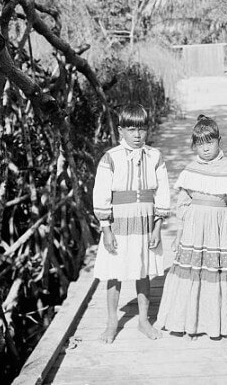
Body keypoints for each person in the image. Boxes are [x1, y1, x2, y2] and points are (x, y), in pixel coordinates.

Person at [155, 115, 227, 339]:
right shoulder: (190, 169)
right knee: (192, 271)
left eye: (210, 142)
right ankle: (186, 321)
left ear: (219, 141)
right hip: (193, 227)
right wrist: (179, 234)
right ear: (194, 146)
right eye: (200, 144)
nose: (206, 149)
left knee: (212, 271)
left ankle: (213, 322)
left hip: (217, 228)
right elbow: (183, 204)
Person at [92, 105, 169, 343]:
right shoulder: (110, 158)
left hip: (146, 221)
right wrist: (106, 228)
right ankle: (112, 322)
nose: (137, 135)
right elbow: (101, 194)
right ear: (121, 130)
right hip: (118, 223)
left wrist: (157, 226)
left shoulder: (155, 157)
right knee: (113, 272)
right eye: (131, 129)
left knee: (143, 270)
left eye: (142, 129)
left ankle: (144, 320)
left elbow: (162, 193)